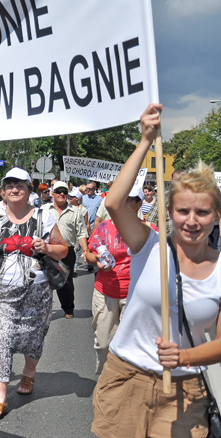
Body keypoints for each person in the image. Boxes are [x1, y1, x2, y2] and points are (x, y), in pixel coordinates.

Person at [92, 103, 221, 437]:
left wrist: (184, 356)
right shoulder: (148, 245)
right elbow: (114, 203)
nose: (192, 221)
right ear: (170, 212)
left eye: (203, 212)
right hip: (126, 377)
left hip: (185, 390)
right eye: (182, 211)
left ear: (216, 216)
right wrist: (146, 140)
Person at [0, 167, 68, 421]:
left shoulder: (43, 217)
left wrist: (47, 247)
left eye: (20, 185)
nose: (14, 189)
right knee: (0, 338)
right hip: (2, 291)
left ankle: (29, 372)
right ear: (2, 191)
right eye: (10, 185)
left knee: (34, 338)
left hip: (37, 290)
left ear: (29, 190)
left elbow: (64, 250)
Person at [85, 187, 158, 375]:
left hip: (134, 295)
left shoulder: (149, 231)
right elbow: (89, 254)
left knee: (128, 345)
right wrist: (97, 260)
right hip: (105, 291)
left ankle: (122, 385)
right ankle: (104, 380)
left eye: (130, 199)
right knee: (103, 345)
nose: (124, 202)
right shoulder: (104, 227)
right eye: (122, 198)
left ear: (139, 204)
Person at [41, 181, 88, 318]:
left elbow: (81, 233)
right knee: (44, 281)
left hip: (67, 252)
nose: (62, 194)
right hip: (47, 251)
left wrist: (85, 250)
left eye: (65, 192)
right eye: (59, 191)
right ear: (53, 194)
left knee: (65, 282)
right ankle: (44, 309)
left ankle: (68, 308)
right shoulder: (44, 210)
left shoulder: (75, 212)